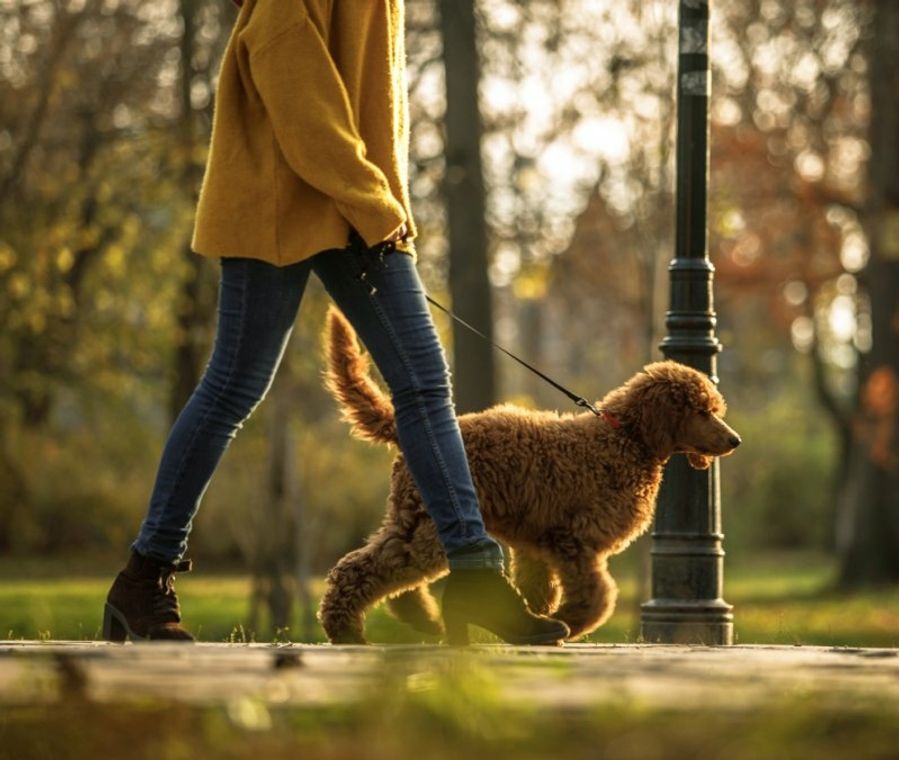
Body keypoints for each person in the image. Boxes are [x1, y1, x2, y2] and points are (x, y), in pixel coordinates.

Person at [101, 0, 568, 646]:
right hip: (282, 193)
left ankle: (475, 575)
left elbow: (364, 94)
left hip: (350, 200)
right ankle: (144, 577)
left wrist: (372, 196)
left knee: (424, 384)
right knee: (234, 386)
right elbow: (296, 81)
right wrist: (372, 198)